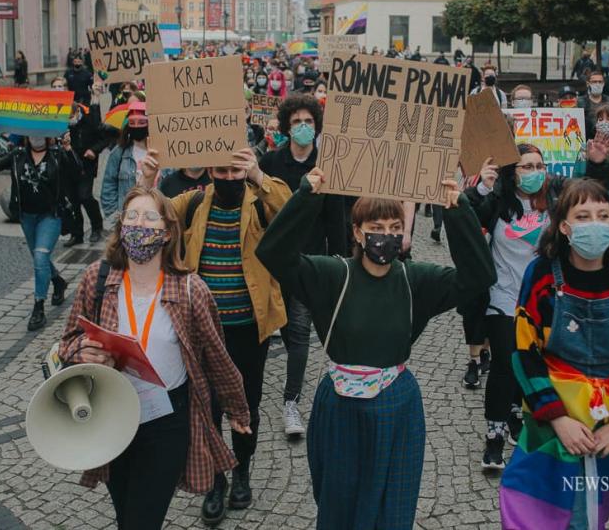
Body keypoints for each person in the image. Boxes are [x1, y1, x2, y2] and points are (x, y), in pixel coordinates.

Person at [255, 167, 495, 529]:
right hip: (339, 405)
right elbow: (273, 253)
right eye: (377, 228)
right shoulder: (332, 275)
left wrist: (458, 207)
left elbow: (478, 276)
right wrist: (307, 195)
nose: (387, 236)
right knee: (338, 501)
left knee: (393, 505)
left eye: (395, 229)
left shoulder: (416, 280)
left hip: (397, 405)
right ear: (357, 231)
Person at [58, 186, 251, 530]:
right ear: (121, 228)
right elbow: (69, 340)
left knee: (142, 522)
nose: (139, 224)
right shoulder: (97, 280)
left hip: (167, 421)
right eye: (131, 216)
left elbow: (217, 357)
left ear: (166, 233)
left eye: (149, 217)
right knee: (126, 514)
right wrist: (79, 352)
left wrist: (237, 408)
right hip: (112, 414)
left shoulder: (191, 289)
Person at [137, 146, 291, 526]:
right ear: (210, 169)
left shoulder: (260, 199)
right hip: (202, 331)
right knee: (207, 410)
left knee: (247, 405)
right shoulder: (192, 203)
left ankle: (242, 471)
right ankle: (216, 482)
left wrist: (257, 175)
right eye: (221, 171)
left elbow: (292, 214)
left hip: (247, 329)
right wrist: (146, 181)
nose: (228, 178)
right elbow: (147, 220)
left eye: (235, 171)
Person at [500, 178, 609, 530]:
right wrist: (558, 418)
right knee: (528, 508)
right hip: (550, 423)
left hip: (606, 427)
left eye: (603, 215)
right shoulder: (541, 274)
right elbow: (524, 351)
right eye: (583, 215)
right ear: (564, 226)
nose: (594, 224)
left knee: (585, 517)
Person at [465, 145, 565, 470]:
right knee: (506, 364)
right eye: (526, 166)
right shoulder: (498, 202)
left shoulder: (555, 204)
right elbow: (466, 214)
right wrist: (481, 186)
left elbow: (595, 202)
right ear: (513, 171)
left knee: (530, 363)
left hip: (541, 301)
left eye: (539, 166)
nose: (534, 172)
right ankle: (493, 436)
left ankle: (514, 412)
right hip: (503, 297)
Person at [258, 94, 346, 437]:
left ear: (317, 126)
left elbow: (336, 218)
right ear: (286, 127)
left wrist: (339, 262)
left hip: (307, 264)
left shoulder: (328, 164)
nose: (303, 127)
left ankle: (290, 401)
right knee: (269, 331)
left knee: (298, 334)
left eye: (309, 122)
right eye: (296, 122)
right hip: (270, 264)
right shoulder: (270, 163)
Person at [0, 132, 69, 330]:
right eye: (32, 134)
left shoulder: (57, 155)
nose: (36, 137)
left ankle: (38, 307)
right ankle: (58, 281)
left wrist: (68, 149)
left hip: (50, 215)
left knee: (41, 257)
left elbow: (76, 173)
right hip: (27, 216)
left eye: (40, 134)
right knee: (38, 258)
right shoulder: (17, 155)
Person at [60, 95, 107, 246]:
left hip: (86, 166)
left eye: (70, 117)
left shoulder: (89, 119)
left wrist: (94, 150)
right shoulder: (60, 124)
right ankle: (77, 234)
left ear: (76, 112)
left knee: (85, 196)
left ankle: (96, 227)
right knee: (73, 200)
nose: (69, 120)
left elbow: (104, 138)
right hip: (68, 167)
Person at [101, 102, 149, 218]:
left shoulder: (162, 152)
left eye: (141, 123)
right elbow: (108, 184)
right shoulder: (119, 152)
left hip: (155, 215)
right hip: (128, 216)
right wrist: (114, 215)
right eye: (132, 123)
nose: (137, 127)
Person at [577, 70, 609, 140]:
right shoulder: (580, 101)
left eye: (600, 82)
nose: (597, 84)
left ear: (603, 83)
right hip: (586, 139)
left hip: (606, 139)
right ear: (588, 83)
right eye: (594, 82)